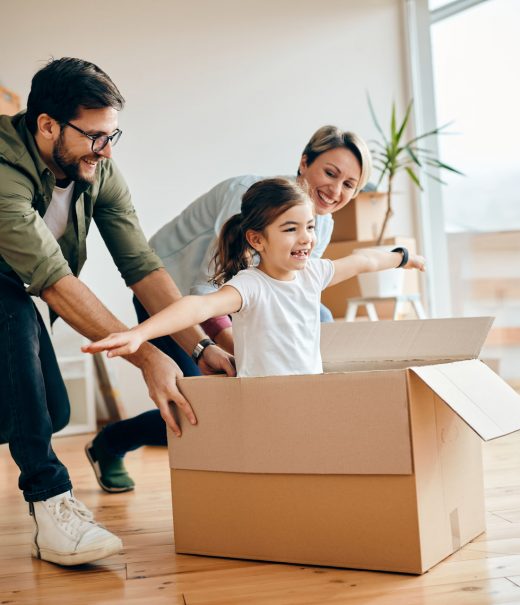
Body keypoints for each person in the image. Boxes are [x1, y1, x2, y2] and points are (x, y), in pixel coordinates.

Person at [0, 57, 234, 567]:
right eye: (95, 136)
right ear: (46, 126)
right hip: (11, 292)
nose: (106, 149)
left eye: (113, 135)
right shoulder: (2, 170)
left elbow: (141, 265)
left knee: (47, 412)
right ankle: (50, 501)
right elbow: (54, 282)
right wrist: (148, 357)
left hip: (16, 288)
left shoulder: (95, 167)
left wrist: (200, 344)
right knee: (11, 311)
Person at [85, 126, 373, 492]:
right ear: (304, 162)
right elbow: (212, 285)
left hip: (230, 301)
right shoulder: (247, 198)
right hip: (171, 294)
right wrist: (230, 343)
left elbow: (294, 290)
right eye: (330, 173)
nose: (336, 191)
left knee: (322, 322)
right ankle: (111, 443)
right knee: (198, 405)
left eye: (350, 184)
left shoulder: (322, 222)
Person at [83, 178, 425, 381]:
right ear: (257, 240)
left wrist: (403, 258)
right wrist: (139, 333)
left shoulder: (313, 274)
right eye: (290, 229)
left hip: (308, 394)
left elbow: (362, 261)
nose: (305, 237)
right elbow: (197, 306)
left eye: (308, 227)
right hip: (263, 400)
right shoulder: (250, 286)